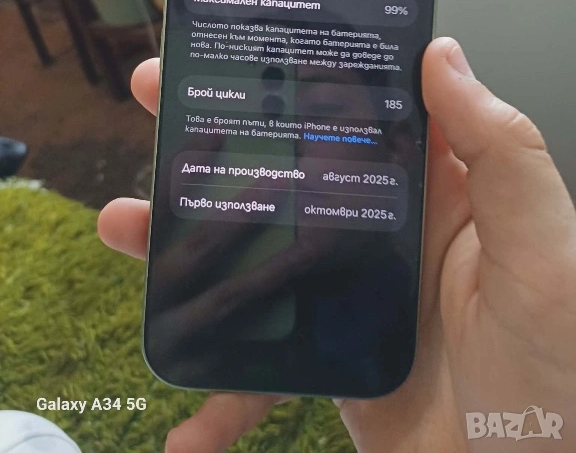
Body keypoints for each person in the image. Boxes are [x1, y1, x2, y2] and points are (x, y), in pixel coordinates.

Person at [98, 37, 576, 452]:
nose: (290, 145)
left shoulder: (445, 327)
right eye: (264, 128)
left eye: (323, 114)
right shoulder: (227, 319)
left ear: (396, 147)